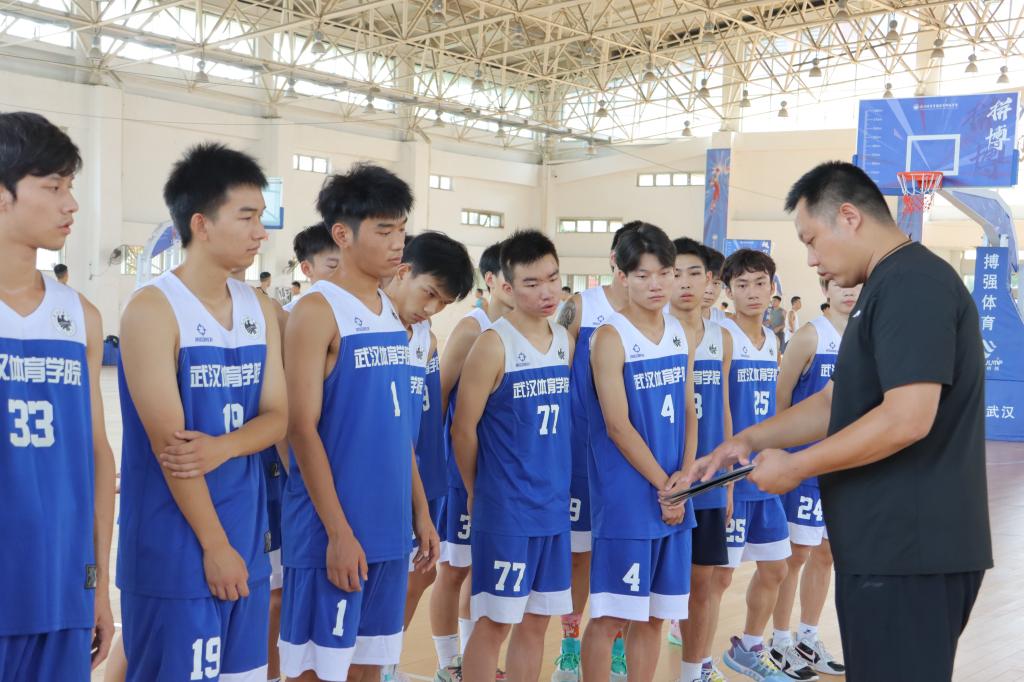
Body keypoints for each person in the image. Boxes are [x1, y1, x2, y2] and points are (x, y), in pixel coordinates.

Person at [693, 161, 991, 682]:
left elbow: (906, 419)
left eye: (812, 240)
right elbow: (836, 402)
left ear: (849, 217)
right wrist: (747, 439)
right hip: (885, 547)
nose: (811, 259)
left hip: (910, 549)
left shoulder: (913, 284)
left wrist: (796, 466)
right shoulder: (884, 287)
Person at [117, 143, 287, 681]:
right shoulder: (152, 309)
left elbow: (278, 416)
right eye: (247, 217)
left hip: (246, 544)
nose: (261, 233)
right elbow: (175, 452)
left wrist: (224, 446)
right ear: (201, 224)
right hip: (176, 552)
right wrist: (214, 547)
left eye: (261, 218)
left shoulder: (260, 308)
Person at [279, 163, 439, 682]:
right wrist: (338, 532)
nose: (398, 244)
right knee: (318, 671)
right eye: (384, 230)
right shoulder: (316, 311)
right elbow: (300, 429)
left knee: (369, 669)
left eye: (402, 230)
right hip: (332, 532)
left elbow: (398, 428)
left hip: (388, 529)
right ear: (343, 235)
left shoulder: (389, 313)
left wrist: (420, 512)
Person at [0, 111, 116, 680]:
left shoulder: (81, 316)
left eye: (70, 187)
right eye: (53, 187)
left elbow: (97, 452)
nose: (70, 204)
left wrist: (100, 586)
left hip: (64, 587)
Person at [453, 230, 573, 681]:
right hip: (507, 510)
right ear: (506, 286)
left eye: (552, 278)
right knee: (495, 623)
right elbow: (463, 430)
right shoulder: (492, 344)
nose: (546, 292)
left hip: (553, 508)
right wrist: (475, 490)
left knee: (537, 622)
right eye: (531, 283)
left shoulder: (563, 340)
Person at [581, 223, 697, 682]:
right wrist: (665, 486)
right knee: (612, 616)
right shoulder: (610, 336)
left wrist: (685, 480)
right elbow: (617, 425)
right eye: (643, 275)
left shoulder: (679, 331)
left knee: (655, 615)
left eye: (664, 274)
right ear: (622, 276)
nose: (656, 285)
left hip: (675, 494)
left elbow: (689, 410)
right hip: (629, 498)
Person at [380, 232, 474, 679]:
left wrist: (426, 500)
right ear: (403, 271)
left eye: (443, 302)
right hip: (368, 485)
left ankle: (384, 663)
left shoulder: (425, 338)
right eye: (430, 294)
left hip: (415, 479)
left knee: (420, 574)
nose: (432, 308)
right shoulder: (360, 325)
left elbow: (420, 423)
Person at [553, 222, 636, 680]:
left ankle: (616, 642)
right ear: (615, 262)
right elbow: (555, 367)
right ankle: (569, 642)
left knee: (620, 553)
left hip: (632, 456)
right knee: (579, 554)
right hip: (582, 450)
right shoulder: (582, 307)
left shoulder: (654, 315)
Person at [430, 240, 514, 679]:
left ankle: (469, 658)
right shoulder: (471, 327)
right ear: (493, 281)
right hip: (460, 470)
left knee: (479, 567)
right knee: (452, 568)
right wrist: (438, 469)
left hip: (501, 475)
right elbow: (439, 397)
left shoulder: (528, 331)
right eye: (516, 277)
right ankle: (447, 663)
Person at [768, 279, 859, 678]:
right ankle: (779, 641)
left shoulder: (867, 336)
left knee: (826, 554)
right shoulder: (809, 336)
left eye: (856, 286)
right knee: (794, 555)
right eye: (840, 285)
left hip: (844, 465)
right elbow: (781, 398)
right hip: (804, 464)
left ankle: (807, 637)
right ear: (826, 289)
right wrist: (779, 452)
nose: (849, 292)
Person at [715, 250, 794, 682]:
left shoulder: (772, 339)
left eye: (760, 283)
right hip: (733, 476)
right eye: (741, 285)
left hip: (763, 475)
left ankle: (748, 647)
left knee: (776, 567)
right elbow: (722, 410)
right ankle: (696, 659)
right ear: (728, 291)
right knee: (718, 578)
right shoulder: (723, 336)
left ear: (772, 287)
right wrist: (727, 481)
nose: (752, 292)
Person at [668, 238, 734, 682]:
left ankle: (694, 671)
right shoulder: (648, 333)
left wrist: (727, 481)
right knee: (647, 589)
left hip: (707, 478)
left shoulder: (721, 337)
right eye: (675, 273)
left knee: (704, 582)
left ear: (709, 279)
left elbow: (724, 407)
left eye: (695, 273)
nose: (686, 283)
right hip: (662, 477)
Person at [701, 247, 727, 324]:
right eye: (704, 281)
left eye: (716, 283)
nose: (709, 291)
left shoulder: (726, 323)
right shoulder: (668, 320)